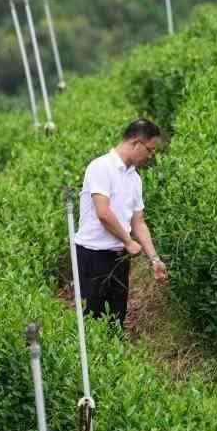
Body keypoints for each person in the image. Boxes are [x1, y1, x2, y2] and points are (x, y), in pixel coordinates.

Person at [73, 118, 167, 326]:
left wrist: (155, 259)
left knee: (116, 318)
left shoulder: (134, 178)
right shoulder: (100, 167)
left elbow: (139, 223)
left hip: (119, 259)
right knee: (92, 319)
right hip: (92, 256)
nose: (150, 156)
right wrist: (128, 241)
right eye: (150, 150)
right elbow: (103, 213)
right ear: (136, 143)